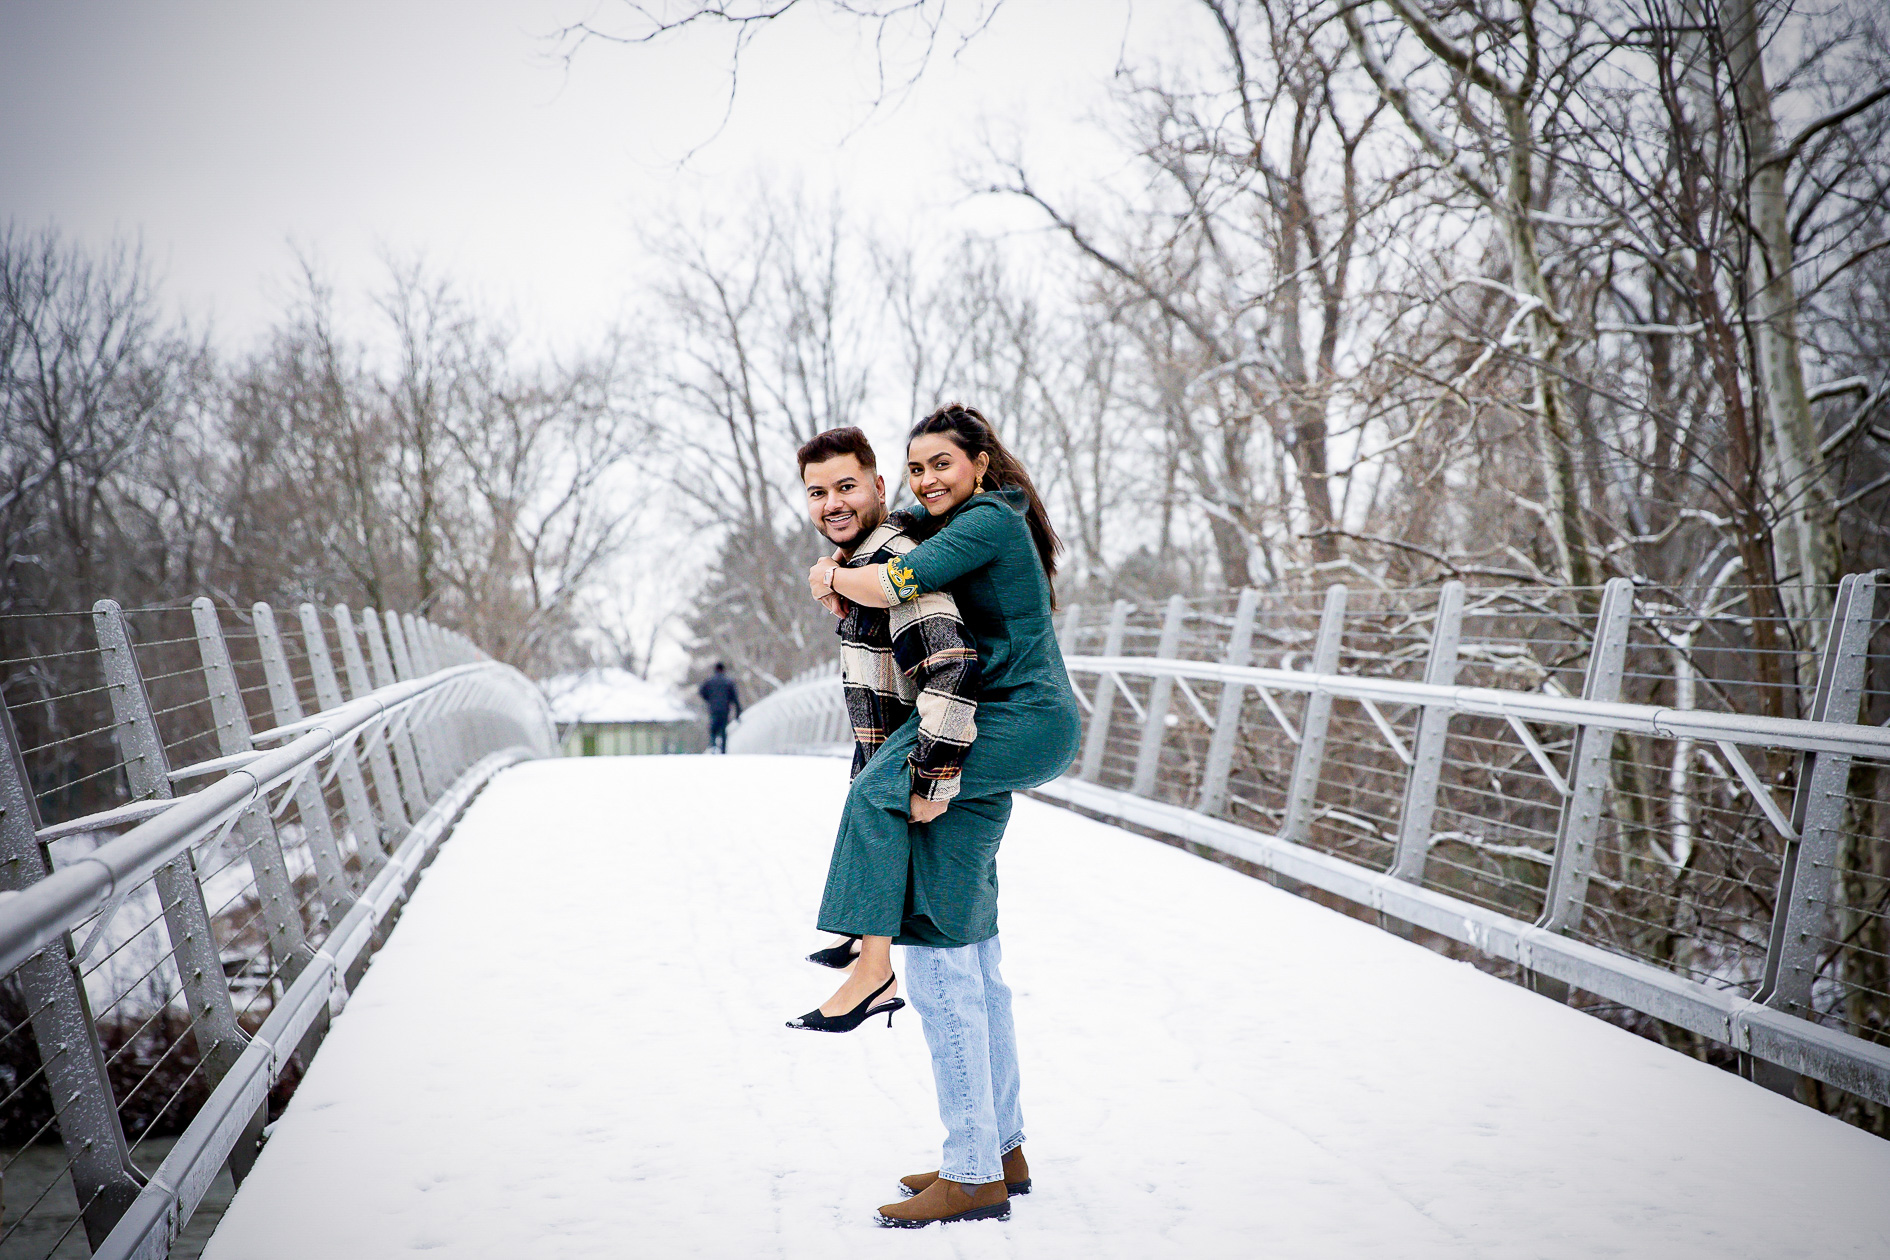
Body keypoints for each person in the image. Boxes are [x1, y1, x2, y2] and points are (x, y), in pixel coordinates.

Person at [806, 403, 1084, 1229]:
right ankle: (998, 1149)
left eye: (941, 465)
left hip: (1016, 720)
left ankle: (872, 962)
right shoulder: (952, 522)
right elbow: (892, 552)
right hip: (1010, 723)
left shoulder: (988, 521)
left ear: (981, 463)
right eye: (916, 468)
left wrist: (828, 576)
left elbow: (894, 584)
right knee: (975, 954)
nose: (930, 480)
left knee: (874, 796)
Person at [782, 425, 981, 983]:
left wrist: (928, 783)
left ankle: (872, 977)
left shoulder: (892, 561)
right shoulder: (857, 568)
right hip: (916, 764)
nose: (832, 504)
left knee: (943, 981)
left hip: (934, 771)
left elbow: (953, 665)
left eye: (846, 486)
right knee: (967, 973)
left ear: (880, 486)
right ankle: (862, 948)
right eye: (817, 493)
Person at [697, 663, 740, 753]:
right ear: (723, 670)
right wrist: (738, 711)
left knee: (713, 729)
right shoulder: (728, 682)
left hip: (713, 709)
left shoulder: (709, 681)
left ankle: (713, 747)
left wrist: (709, 699)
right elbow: (734, 697)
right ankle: (723, 751)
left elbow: (701, 692)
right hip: (724, 710)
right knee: (723, 730)